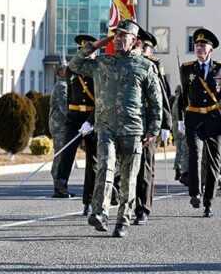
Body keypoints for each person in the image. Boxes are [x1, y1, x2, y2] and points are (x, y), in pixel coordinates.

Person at [68, 19, 162, 238]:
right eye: (116, 35)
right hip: (106, 128)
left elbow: (156, 103)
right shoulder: (102, 63)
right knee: (105, 168)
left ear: (135, 41)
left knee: (129, 178)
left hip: (132, 129)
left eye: (123, 36)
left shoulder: (146, 66)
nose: (119, 39)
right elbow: (74, 66)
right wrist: (96, 45)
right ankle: (100, 213)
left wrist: (153, 129)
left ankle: (123, 221)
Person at [178, 28, 221, 218]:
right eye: (197, 45)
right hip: (194, 118)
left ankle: (208, 201)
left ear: (211, 49)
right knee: (194, 154)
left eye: (203, 45)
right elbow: (183, 96)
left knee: (213, 161)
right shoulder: (187, 68)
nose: (199, 47)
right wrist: (180, 119)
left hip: (214, 120)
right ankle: (195, 193)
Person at [54, 35, 98, 217]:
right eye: (82, 52)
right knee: (67, 149)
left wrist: (91, 121)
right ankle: (61, 181)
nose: (86, 56)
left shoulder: (99, 71)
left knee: (93, 162)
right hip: (74, 116)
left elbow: (102, 100)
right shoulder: (72, 70)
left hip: (92, 117)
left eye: (89, 53)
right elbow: (70, 95)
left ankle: (89, 201)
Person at [133, 28, 172, 225]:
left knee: (145, 167)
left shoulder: (155, 67)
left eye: (145, 47)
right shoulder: (128, 63)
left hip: (148, 122)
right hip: (128, 121)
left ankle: (142, 208)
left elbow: (163, 97)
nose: (141, 49)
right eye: (139, 45)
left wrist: (166, 123)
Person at [49, 64, 68, 197]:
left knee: (63, 155)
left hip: (61, 125)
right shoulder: (62, 87)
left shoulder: (64, 85)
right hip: (59, 126)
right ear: (61, 72)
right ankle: (58, 186)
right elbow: (65, 109)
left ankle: (61, 186)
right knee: (60, 155)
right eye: (67, 69)